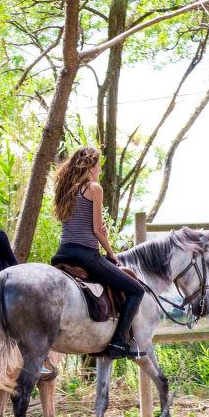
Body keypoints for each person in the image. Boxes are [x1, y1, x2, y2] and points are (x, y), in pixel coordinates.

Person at [50, 146, 144, 358]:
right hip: (86, 254)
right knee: (136, 291)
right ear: (90, 166)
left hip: (63, 253)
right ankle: (119, 343)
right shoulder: (94, 188)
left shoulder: (65, 189)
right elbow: (96, 230)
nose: (100, 170)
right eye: (99, 166)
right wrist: (111, 253)